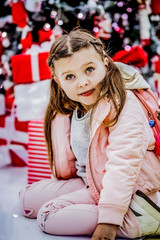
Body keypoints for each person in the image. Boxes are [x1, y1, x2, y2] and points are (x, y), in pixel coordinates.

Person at [19, 28, 160, 240]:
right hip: (90, 181)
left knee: (48, 215)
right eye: (70, 76)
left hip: (130, 192)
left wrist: (108, 221)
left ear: (105, 63)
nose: (82, 82)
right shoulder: (71, 106)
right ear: (58, 81)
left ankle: (138, 221)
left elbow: (124, 162)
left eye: (89, 70)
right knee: (27, 201)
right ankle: (92, 206)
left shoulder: (123, 102)